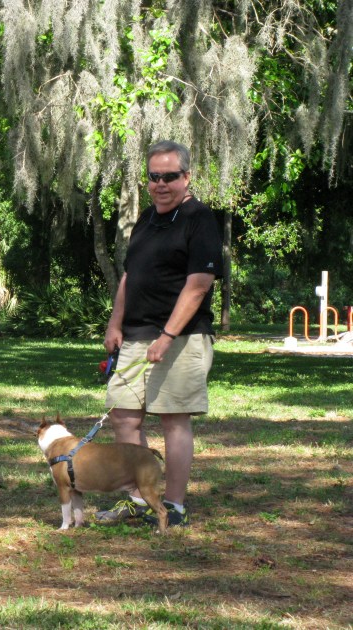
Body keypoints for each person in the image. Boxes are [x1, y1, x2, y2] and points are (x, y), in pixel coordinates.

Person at [96, 140, 223, 528]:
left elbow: (199, 285)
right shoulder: (146, 220)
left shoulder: (200, 219)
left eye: (170, 176)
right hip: (135, 335)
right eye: (154, 177)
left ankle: (175, 505)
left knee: (173, 419)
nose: (161, 184)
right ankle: (139, 499)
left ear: (187, 177)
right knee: (123, 415)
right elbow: (130, 277)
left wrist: (167, 336)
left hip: (181, 338)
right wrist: (115, 323)